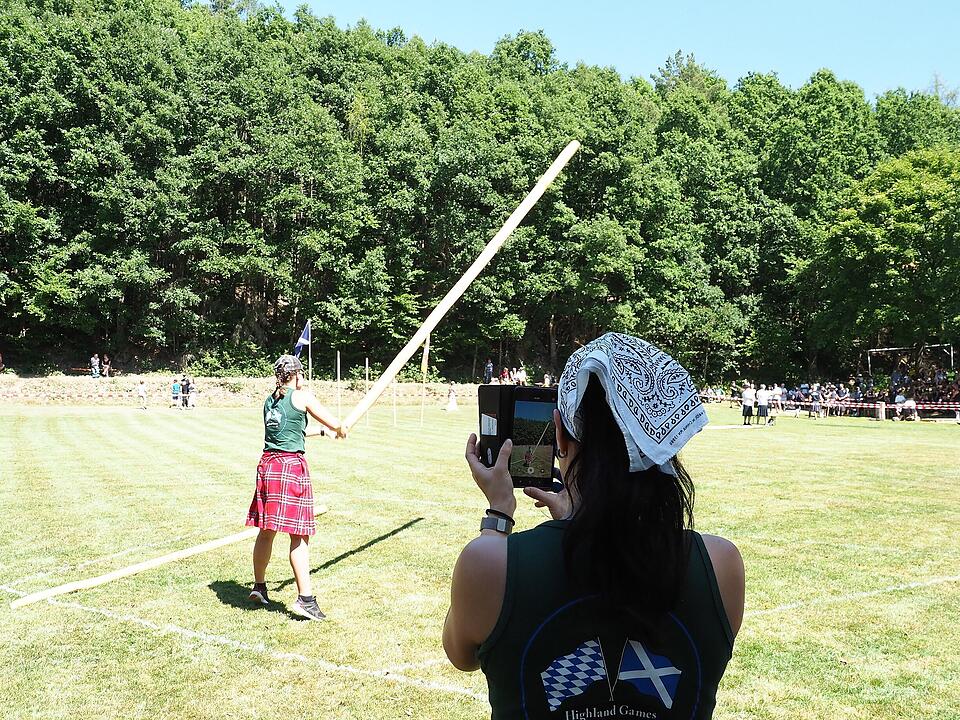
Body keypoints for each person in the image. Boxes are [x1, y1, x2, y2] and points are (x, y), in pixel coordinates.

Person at [444, 333, 744, 719]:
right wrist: (579, 520)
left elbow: (461, 655)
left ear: (561, 437)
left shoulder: (490, 563)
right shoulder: (721, 564)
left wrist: (498, 516)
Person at [246, 354, 344, 621]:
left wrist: (324, 433)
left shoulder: (271, 400)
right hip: (290, 468)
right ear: (298, 374)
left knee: (266, 532)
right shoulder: (303, 396)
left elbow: (289, 431)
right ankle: (305, 599)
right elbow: (332, 420)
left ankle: (259, 587)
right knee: (299, 535)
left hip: (268, 465)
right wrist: (339, 427)